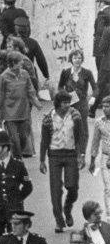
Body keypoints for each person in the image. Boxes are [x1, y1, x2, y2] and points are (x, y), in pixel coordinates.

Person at [40, 90, 87, 231]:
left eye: (68, 102)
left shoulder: (75, 116)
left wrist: (82, 154)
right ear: (57, 104)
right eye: (64, 103)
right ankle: (59, 221)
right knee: (55, 190)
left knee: (72, 187)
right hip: (54, 155)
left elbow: (81, 136)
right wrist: (42, 160)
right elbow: (44, 141)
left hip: (71, 154)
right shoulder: (48, 119)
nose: (67, 105)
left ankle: (67, 208)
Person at [0, 129, 33, 244]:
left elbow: (28, 187)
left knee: (16, 241)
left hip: (13, 210)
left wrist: (16, 200)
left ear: (6, 148)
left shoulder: (18, 165)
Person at [0, 51, 41, 157]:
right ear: (13, 63)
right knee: (15, 140)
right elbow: (0, 95)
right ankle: (18, 160)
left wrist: (36, 102)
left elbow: (30, 90)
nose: (22, 63)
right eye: (20, 61)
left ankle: (17, 154)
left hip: (23, 111)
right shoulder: (4, 76)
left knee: (23, 138)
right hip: (10, 114)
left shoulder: (25, 74)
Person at [58, 49, 98, 119]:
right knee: (69, 126)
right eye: (75, 58)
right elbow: (60, 87)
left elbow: (95, 88)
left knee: (83, 127)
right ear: (71, 59)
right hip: (68, 104)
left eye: (79, 58)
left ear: (82, 59)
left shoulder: (87, 73)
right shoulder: (65, 72)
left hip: (82, 105)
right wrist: (65, 95)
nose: (77, 60)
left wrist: (93, 97)